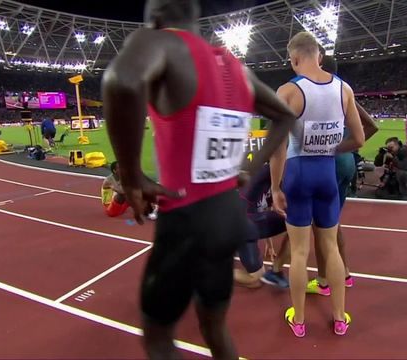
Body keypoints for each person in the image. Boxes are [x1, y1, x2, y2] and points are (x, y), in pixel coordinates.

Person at [102, 0, 296, 358]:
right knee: (214, 327)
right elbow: (284, 116)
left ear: (157, 16)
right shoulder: (236, 68)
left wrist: (130, 176)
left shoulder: (160, 42)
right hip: (230, 219)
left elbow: (122, 80)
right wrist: (248, 172)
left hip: (186, 222)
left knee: (158, 340)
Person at [270, 32, 364, 338]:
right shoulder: (344, 89)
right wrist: (328, 148)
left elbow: (278, 146)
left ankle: (298, 320)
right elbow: (359, 139)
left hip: (298, 174)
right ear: (319, 56)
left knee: (299, 252)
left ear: (294, 58)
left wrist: (275, 188)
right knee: (330, 248)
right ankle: (339, 318)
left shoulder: (288, 91)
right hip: (326, 173)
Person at [306, 54, 378, 297]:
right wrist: (348, 149)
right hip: (345, 164)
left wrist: (332, 150)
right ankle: (344, 272)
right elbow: (371, 127)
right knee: (333, 223)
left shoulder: (321, 91)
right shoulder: (343, 91)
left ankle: (324, 280)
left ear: (320, 66)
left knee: (321, 226)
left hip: (330, 165)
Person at [234, 162, 290, 289]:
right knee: (256, 280)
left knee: (297, 221)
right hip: (242, 227)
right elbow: (276, 157)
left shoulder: (277, 183)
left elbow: (268, 210)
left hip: (252, 224)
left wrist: (269, 244)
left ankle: (276, 270)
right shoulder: (268, 173)